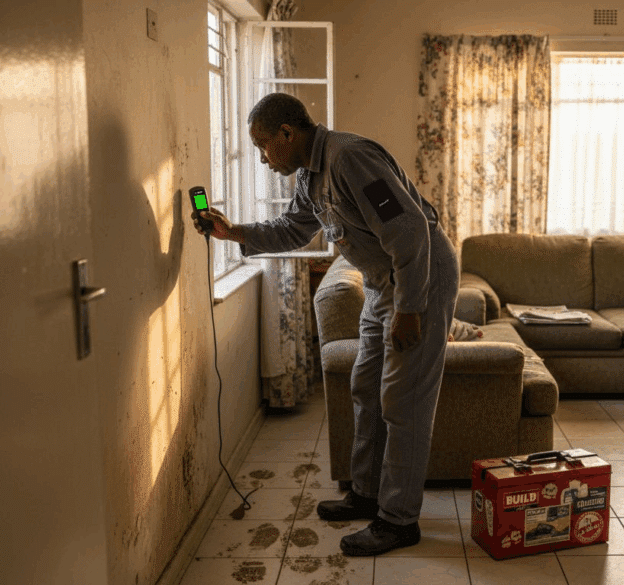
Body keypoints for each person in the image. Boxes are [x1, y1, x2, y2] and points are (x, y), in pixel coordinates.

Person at [192, 93, 459, 556]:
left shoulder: (351, 158)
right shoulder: (310, 176)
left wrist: (411, 308)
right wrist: (232, 232)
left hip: (419, 279)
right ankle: (367, 492)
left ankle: (398, 520)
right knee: (365, 386)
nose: (261, 155)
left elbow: (410, 229)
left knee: (404, 401)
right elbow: (294, 229)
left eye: (262, 144)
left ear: (287, 134)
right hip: (381, 282)